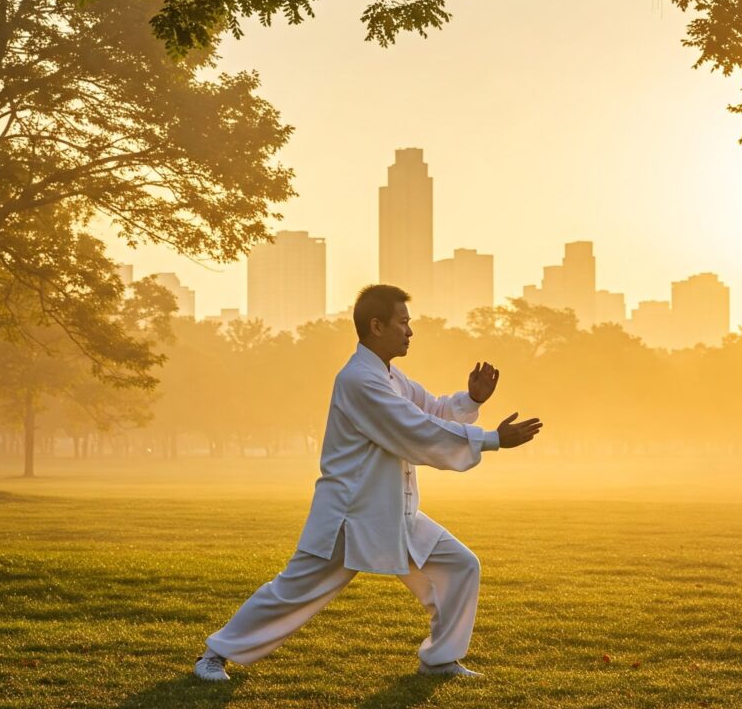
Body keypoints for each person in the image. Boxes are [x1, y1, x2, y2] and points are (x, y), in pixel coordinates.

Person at [194, 284, 543, 681]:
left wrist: (471, 401)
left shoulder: (390, 376)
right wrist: (494, 440)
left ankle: (440, 659)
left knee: (460, 566)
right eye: (403, 323)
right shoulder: (360, 379)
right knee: (293, 591)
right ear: (376, 326)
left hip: (394, 509)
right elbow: (416, 429)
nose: (410, 332)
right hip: (349, 513)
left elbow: (433, 411)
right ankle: (214, 654)